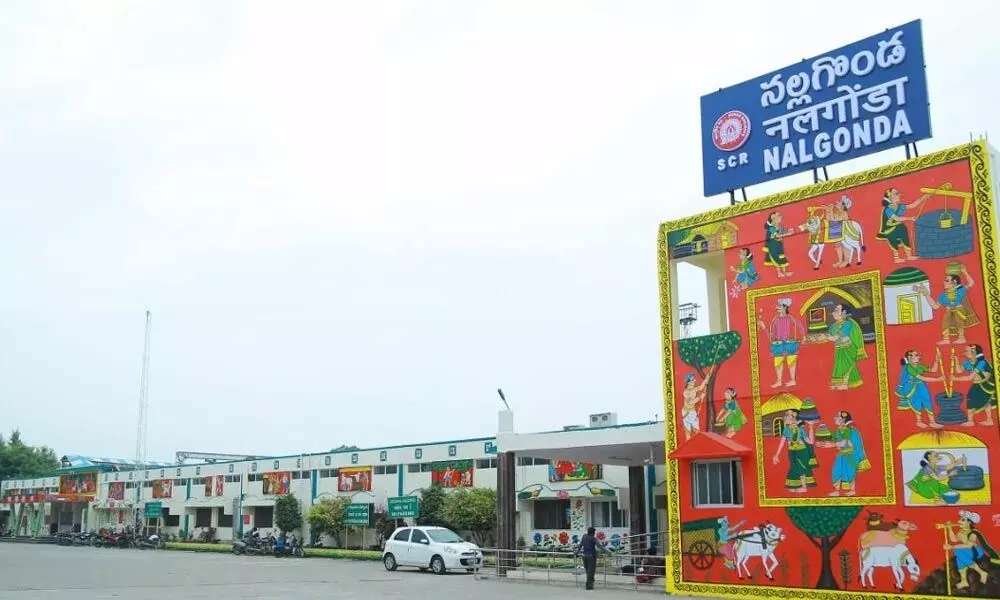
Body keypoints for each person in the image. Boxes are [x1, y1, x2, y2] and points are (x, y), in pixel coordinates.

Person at [916, 264, 980, 345]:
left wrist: (964, 272)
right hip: (948, 311)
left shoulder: (961, 290)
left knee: (959, 323)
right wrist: (925, 293)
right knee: (945, 323)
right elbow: (935, 306)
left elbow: (971, 282)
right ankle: (946, 339)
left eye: (946, 280)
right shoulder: (943, 295)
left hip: (959, 310)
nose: (943, 282)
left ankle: (961, 338)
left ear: (954, 282)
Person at [818, 411, 870, 497]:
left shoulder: (851, 429)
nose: (834, 418)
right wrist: (822, 443)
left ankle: (852, 490)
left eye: (837, 417)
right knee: (836, 472)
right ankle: (836, 491)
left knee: (849, 472)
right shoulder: (838, 430)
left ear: (843, 419)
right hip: (841, 455)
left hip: (850, 455)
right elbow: (832, 440)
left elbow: (844, 443)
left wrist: (833, 444)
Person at [941, 510, 998, 589]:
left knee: (958, 551)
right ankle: (964, 581)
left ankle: (982, 572)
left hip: (976, 552)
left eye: (963, 520)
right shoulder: (961, 531)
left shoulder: (973, 533)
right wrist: (950, 528)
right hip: (967, 552)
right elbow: (954, 540)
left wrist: (952, 547)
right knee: (959, 555)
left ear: (969, 522)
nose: (959, 521)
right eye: (960, 519)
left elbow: (969, 545)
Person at [757, 298, 805, 388]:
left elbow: (800, 325)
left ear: (785, 307)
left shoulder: (791, 318)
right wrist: (764, 328)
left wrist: (803, 336)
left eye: (779, 306)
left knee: (791, 361)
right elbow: (771, 337)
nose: (776, 308)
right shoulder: (775, 320)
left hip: (790, 343)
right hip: (778, 345)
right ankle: (779, 381)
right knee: (778, 361)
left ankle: (792, 380)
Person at [876, 187, 929, 263]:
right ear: (891, 197)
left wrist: (924, 197)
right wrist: (910, 218)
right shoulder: (888, 209)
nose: (899, 195)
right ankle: (896, 258)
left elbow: (912, 205)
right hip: (890, 229)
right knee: (894, 242)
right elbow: (896, 218)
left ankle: (909, 256)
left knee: (905, 239)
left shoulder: (900, 206)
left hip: (899, 226)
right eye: (896, 193)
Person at [896, 349, 944, 428]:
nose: (918, 356)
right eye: (916, 355)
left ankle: (932, 422)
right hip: (912, 387)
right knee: (917, 403)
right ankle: (919, 421)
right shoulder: (909, 368)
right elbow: (922, 378)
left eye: (918, 355)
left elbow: (933, 370)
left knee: (927, 401)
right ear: (909, 357)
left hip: (921, 386)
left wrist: (936, 360)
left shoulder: (920, 366)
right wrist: (938, 379)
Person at [772, 409, 817, 493]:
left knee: (801, 469)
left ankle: (804, 487)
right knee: (794, 468)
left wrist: (811, 428)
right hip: (792, 452)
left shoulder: (801, 430)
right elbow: (782, 443)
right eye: (786, 415)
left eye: (787, 415)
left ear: (794, 417)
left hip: (802, 452)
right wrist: (776, 454)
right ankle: (795, 485)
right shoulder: (786, 430)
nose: (785, 417)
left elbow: (810, 442)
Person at [953, 344, 996, 427]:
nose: (965, 353)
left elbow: (970, 377)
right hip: (977, 383)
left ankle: (987, 420)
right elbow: (958, 371)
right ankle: (971, 421)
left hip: (986, 384)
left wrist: (955, 379)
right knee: (971, 400)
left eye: (967, 351)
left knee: (986, 401)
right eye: (965, 351)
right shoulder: (966, 362)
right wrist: (956, 360)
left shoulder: (982, 362)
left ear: (975, 352)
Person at [826, 303, 867, 390]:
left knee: (846, 366)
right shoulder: (833, 326)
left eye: (837, 310)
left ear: (844, 312)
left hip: (848, 348)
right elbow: (828, 336)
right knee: (838, 366)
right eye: (834, 311)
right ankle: (841, 383)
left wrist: (828, 337)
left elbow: (835, 337)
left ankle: (844, 384)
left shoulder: (847, 324)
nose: (834, 313)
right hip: (838, 349)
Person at [762, 211, 794, 277]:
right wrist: (788, 233)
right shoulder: (771, 228)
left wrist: (789, 230)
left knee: (782, 257)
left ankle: (784, 272)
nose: (781, 217)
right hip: (773, 246)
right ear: (773, 218)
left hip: (779, 244)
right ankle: (779, 273)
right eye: (779, 215)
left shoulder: (780, 226)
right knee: (776, 258)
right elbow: (776, 236)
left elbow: (784, 231)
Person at [681, 373, 709, 441]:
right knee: (688, 432)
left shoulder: (693, 388)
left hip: (692, 412)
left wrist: (706, 379)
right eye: (692, 379)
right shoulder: (686, 392)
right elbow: (690, 402)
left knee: (696, 430)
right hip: (686, 413)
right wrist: (700, 397)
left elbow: (701, 387)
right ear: (688, 382)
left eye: (694, 379)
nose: (695, 380)